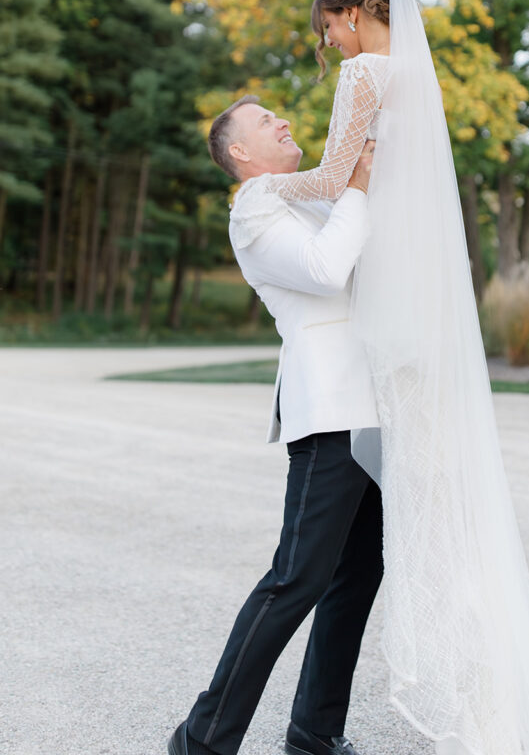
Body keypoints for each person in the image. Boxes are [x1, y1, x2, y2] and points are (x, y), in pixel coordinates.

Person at [235, 0, 529, 755]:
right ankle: (472, 698)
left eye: (327, 27)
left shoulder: (364, 73)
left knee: (398, 530)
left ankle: (441, 703)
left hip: (384, 310)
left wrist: (256, 191)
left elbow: (334, 178)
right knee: (428, 513)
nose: (329, 43)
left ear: (351, 13)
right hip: (414, 299)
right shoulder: (416, 81)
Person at [167, 100, 382, 755]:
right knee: (296, 577)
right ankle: (202, 738)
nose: (283, 122)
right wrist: (357, 188)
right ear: (239, 152)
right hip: (329, 409)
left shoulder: (310, 196)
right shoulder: (254, 206)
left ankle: (314, 731)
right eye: (265, 122)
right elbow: (324, 271)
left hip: (372, 408)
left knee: (357, 573)